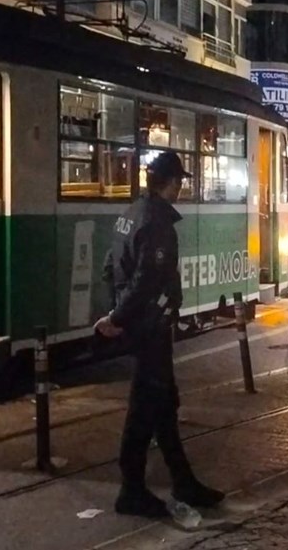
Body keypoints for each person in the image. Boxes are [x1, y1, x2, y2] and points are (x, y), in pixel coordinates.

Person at [95, 151, 223, 518]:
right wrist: (118, 316)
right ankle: (131, 489)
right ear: (172, 183)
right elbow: (148, 278)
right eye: (179, 181)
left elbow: (110, 266)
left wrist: (115, 312)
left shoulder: (131, 213)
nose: (181, 187)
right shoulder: (157, 222)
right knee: (146, 406)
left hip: (142, 323)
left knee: (165, 404)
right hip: (151, 326)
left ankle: (184, 481)